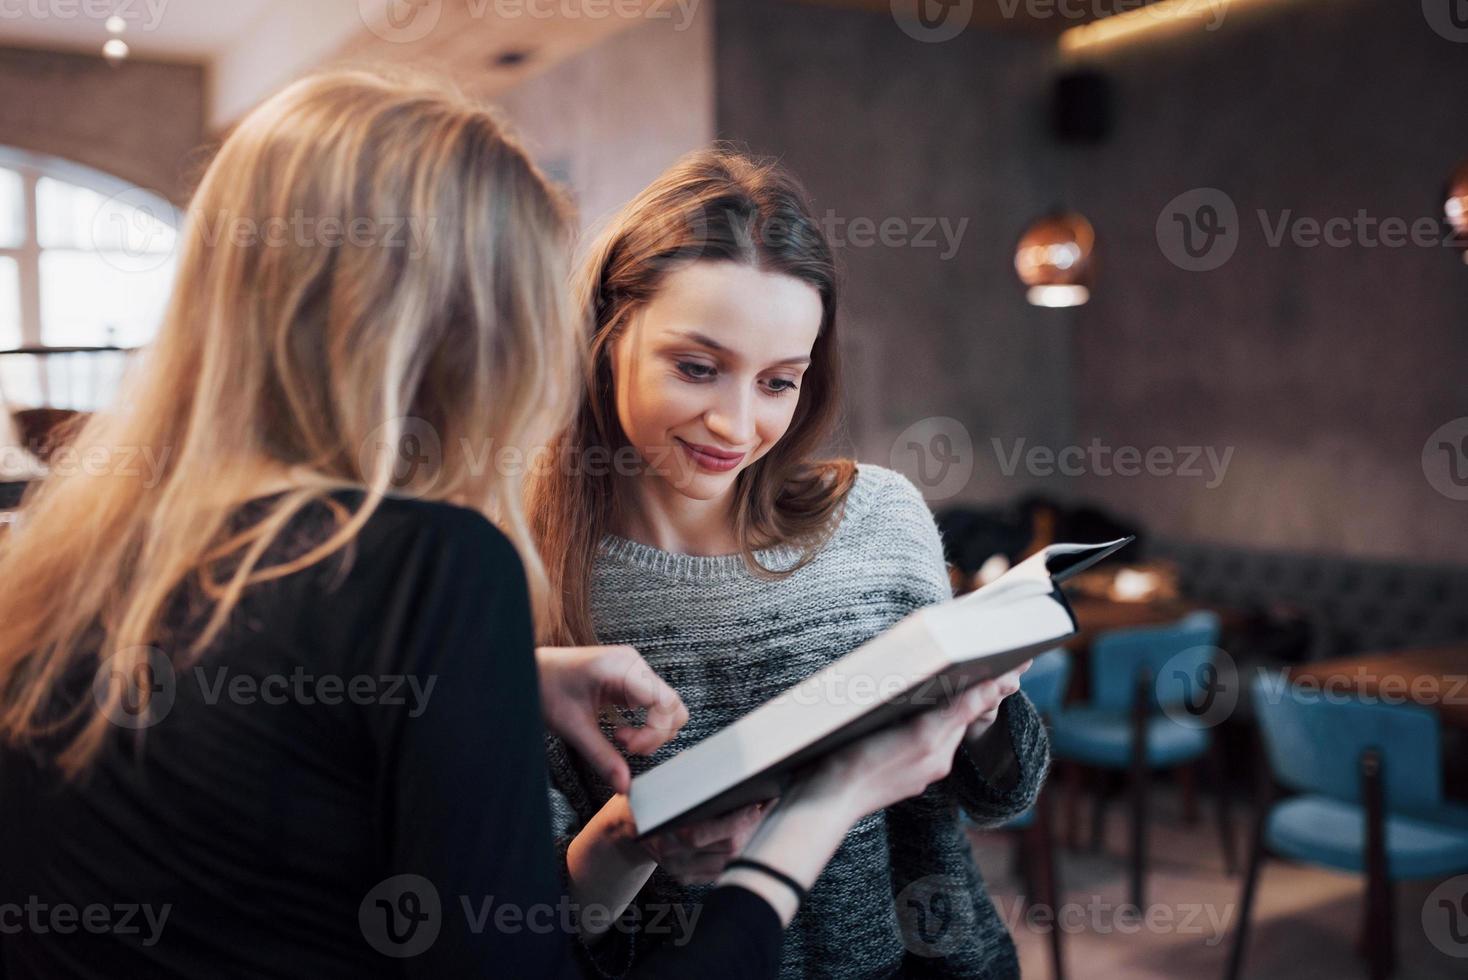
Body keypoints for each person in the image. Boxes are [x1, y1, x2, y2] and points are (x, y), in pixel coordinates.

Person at [0, 72, 1008, 979]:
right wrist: (822, 804)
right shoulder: (448, 565)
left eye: (779, 380)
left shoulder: (64, 566)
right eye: (693, 364)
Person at [530, 148, 1050, 978]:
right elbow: (537, 926)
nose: (736, 426)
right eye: (697, 368)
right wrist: (634, 841)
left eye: (779, 383)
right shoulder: (525, 571)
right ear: (606, 336)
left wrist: (986, 712)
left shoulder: (877, 518)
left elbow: (997, 798)